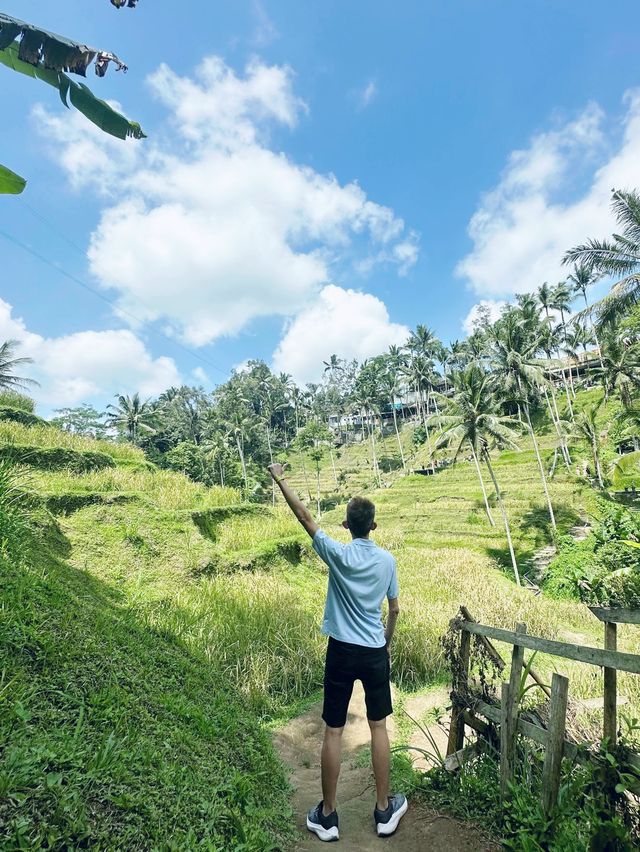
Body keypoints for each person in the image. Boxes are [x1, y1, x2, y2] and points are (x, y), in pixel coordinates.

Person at [268, 462, 407, 842]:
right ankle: (383, 810)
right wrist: (386, 643)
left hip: (342, 651)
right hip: (374, 650)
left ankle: (327, 815)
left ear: (347, 526)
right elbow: (394, 609)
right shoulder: (387, 561)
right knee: (379, 726)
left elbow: (304, 516)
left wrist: (281, 478)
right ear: (373, 526)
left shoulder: (337, 554)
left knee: (333, 730)